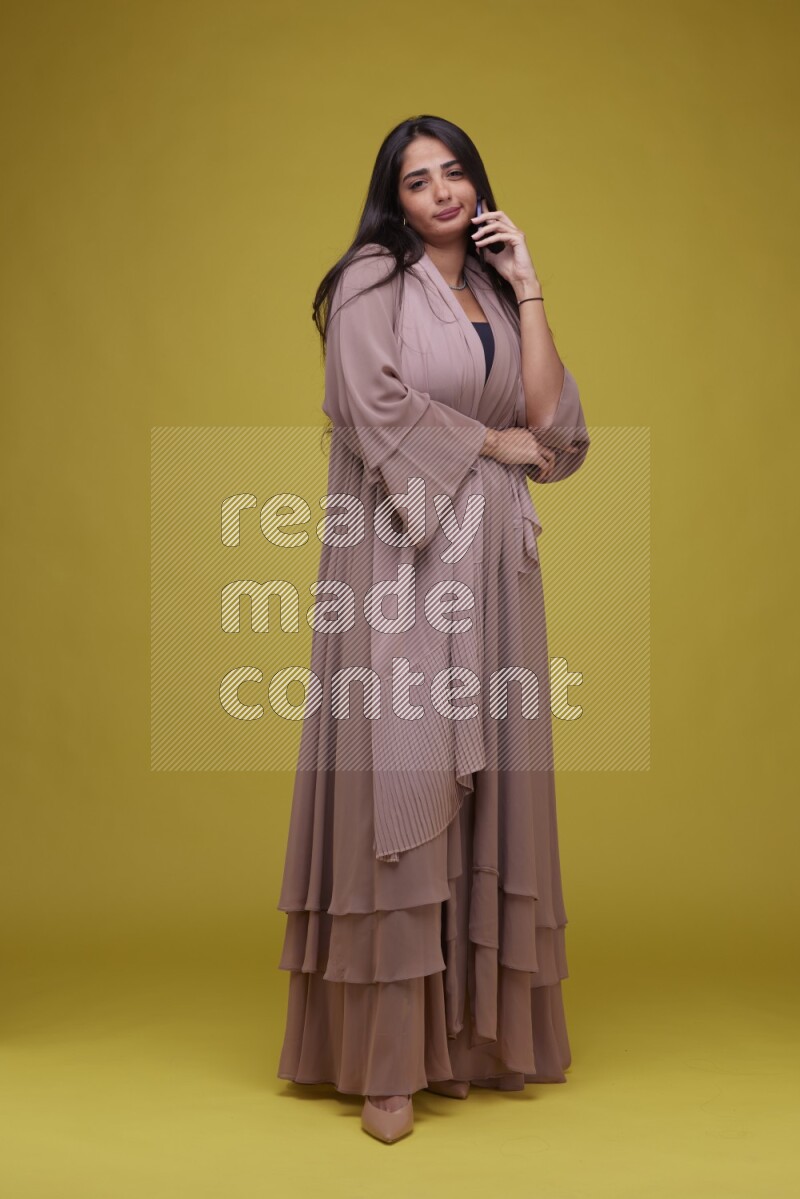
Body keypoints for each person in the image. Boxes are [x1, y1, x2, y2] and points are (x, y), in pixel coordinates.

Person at [276, 114, 591, 1143]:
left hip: (494, 564)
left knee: (489, 773)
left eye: (454, 172)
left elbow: (552, 430)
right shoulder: (373, 276)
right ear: (394, 197)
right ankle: (386, 1065)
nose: (442, 191)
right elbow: (364, 401)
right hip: (399, 551)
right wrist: (486, 439)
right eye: (418, 179)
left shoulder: (496, 290)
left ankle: (466, 1038)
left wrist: (531, 284)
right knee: (403, 774)